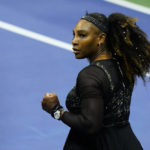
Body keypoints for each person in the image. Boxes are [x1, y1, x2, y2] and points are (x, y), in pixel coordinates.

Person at [41, 12, 150, 150]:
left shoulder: (89, 76)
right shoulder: (123, 65)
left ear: (101, 38)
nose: (74, 41)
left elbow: (90, 125)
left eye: (82, 35)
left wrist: (56, 110)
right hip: (127, 143)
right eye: (74, 34)